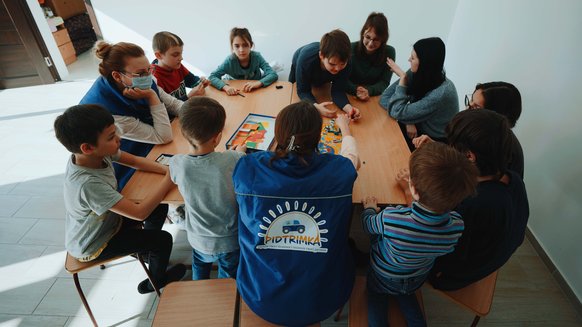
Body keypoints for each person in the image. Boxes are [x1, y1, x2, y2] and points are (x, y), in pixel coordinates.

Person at [234, 101, 360, 326]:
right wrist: (346, 130)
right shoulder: (340, 170)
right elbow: (352, 159)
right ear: (318, 137)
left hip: (260, 295)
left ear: (278, 134)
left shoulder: (247, 167)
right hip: (323, 298)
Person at [54, 104, 186, 294]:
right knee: (163, 240)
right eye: (111, 137)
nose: (119, 138)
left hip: (107, 222)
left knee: (158, 206)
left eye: (115, 131)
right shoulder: (86, 184)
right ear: (87, 147)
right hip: (95, 243)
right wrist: (169, 179)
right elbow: (140, 214)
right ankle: (156, 281)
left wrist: (167, 169)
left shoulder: (96, 154)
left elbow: (133, 161)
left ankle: (146, 251)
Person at [362, 142, 477, 326]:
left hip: (383, 274)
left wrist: (368, 209)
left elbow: (368, 225)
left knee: (375, 295)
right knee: (406, 296)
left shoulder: (392, 218)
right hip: (417, 277)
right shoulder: (457, 225)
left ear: (414, 190)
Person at [427, 109, 530, 290]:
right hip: (491, 256)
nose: (448, 148)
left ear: (469, 156)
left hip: (452, 274)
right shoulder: (513, 179)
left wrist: (411, 193)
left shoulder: (473, 204)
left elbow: (444, 247)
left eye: (450, 145)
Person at [80, 41, 183, 190]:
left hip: (148, 145)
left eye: (149, 69)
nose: (149, 77)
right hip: (126, 163)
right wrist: (152, 97)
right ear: (117, 76)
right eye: (141, 73)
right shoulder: (104, 109)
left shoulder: (142, 78)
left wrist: (199, 114)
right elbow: (163, 137)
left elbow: (174, 104)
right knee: (148, 194)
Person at [168, 97, 246, 280]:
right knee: (227, 277)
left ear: (183, 132)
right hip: (229, 242)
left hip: (198, 239)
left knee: (199, 265)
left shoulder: (177, 163)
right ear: (218, 137)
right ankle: (224, 302)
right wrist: (239, 150)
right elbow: (240, 157)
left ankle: (198, 289)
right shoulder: (233, 159)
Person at [380, 37, 458, 149]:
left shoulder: (441, 94)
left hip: (433, 141)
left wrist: (403, 78)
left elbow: (396, 110)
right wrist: (409, 121)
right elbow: (385, 98)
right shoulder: (417, 73)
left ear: (425, 63)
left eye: (412, 58)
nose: (408, 60)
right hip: (417, 124)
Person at [289, 29, 362, 119]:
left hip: (320, 73)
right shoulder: (306, 60)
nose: (338, 69)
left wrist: (349, 108)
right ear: (321, 56)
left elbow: (338, 90)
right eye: (332, 64)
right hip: (300, 63)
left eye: (342, 64)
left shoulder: (347, 61)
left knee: (320, 85)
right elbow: (303, 91)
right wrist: (316, 107)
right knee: (292, 95)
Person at [466, 81, 524, 178]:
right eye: (470, 100)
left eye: (475, 107)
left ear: (496, 116)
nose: (467, 108)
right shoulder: (480, 131)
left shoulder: (501, 151)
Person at [208, 27, 278, 95]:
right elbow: (211, 77)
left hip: (254, 92)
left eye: (245, 45)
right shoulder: (229, 61)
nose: (241, 50)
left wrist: (258, 83)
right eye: (237, 46)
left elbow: (273, 74)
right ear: (232, 47)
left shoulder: (257, 57)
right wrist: (225, 87)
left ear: (251, 45)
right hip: (235, 92)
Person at [347, 12, 396, 101]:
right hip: (347, 94)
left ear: (383, 40)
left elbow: (384, 82)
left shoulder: (389, 52)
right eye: (368, 37)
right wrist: (356, 89)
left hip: (372, 97)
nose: (370, 43)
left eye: (376, 39)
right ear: (363, 34)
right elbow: (341, 78)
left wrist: (369, 91)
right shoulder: (350, 48)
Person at [151, 31, 210, 101]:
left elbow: (191, 80)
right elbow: (166, 109)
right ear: (159, 55)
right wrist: (189, 96)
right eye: (175, 55)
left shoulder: (176, 66)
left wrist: (201, 82)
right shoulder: (154, 79)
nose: (181, 58)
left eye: (181, 53)